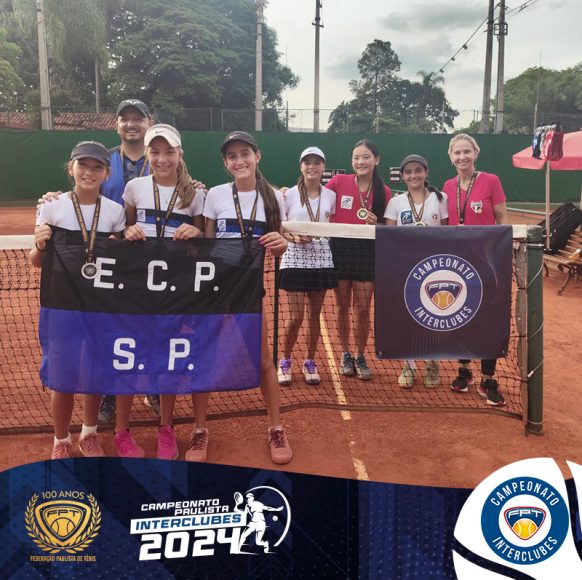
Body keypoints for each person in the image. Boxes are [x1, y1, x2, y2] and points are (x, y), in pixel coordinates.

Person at [186, 130, 292, 465]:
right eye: (232, 156)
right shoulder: (215, 195)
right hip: (214, 291)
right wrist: (194, 236)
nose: (239, 160)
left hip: (249, 291)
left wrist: (282, 244)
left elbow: (278, 245)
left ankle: (276, 427)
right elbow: (206, 245)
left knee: (263, 362)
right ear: (225, 163)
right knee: (204, 358)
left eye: (245, 153)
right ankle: (200, 429)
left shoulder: (273, 198)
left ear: (257, 156)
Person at [30, 141, 126, 459]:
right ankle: (61, 440)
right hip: (60, 305)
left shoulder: (114, 212)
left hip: (100, 305)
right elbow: (36, 261)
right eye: (83, 165)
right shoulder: (51, 207)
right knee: (63, 377)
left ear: (107, 174)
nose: (89, 172)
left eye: (97, 167)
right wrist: (40, 245)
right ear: (71, 168)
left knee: (94, 372)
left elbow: (120, 261)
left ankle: (89, 434)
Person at [120, 124, 204, 458]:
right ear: (147, 154)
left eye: (169, 152)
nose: (162, 159)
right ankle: (121, 432)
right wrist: (128, 231)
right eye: (155, 152)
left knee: (169, 359)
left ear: (180, 154)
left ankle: (166, 428)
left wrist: (196, 232)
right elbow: (124, 227)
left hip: (175, 290)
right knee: (129, 358)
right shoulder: (134, 188)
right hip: (137, 289)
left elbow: (204, 243)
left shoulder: (194, 194)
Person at [442, 133, 507, 407]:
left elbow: (502, 219)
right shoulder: (448, 186)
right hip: (458, 264)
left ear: (475, 153)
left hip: (488, 262)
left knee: (488, 318)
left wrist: (502, 253)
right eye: (457, 153)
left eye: (466, 151)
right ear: (451, 157)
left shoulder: (491, 180)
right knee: (461, 314)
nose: (462, 157)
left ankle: (488, 378)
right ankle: (464, 370)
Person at [325, 140, 391, 380]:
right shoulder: (338, 182)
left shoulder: (384, 192)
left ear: (376, 160)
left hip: (367, 252)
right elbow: (313, 196)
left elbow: (387, 227)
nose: (360, 162)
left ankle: (360, 355)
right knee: (342, 306)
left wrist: (377, 224)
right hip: (340, 249)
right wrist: (283, 191)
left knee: (363, 308)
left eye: (365, 157)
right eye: (356, 158)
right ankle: (346, 354)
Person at [384, 154, 448, 388]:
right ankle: (409, 365)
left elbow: (447, 233)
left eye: (418, 170)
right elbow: (389, 237)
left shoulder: (441, 199)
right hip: (406, 268)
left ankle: (432, 363)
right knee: (408, 317)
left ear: (426, 172)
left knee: (433, 316)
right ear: (402, 176)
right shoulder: (396, 202)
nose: (414, 175)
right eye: (408, 172)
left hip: (434, 268)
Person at [277, 146, 337, 386]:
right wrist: (293, 237)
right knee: (295, 316)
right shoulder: (288, 195)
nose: (312, 167)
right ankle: (285, 361)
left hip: (321, 260)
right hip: (294, 259)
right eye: (307, 162)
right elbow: (279, 227)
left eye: (317, 162)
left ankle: (310, 361)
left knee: (314, 316)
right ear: (301, 167)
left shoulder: (330, 196)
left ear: (323, 167)